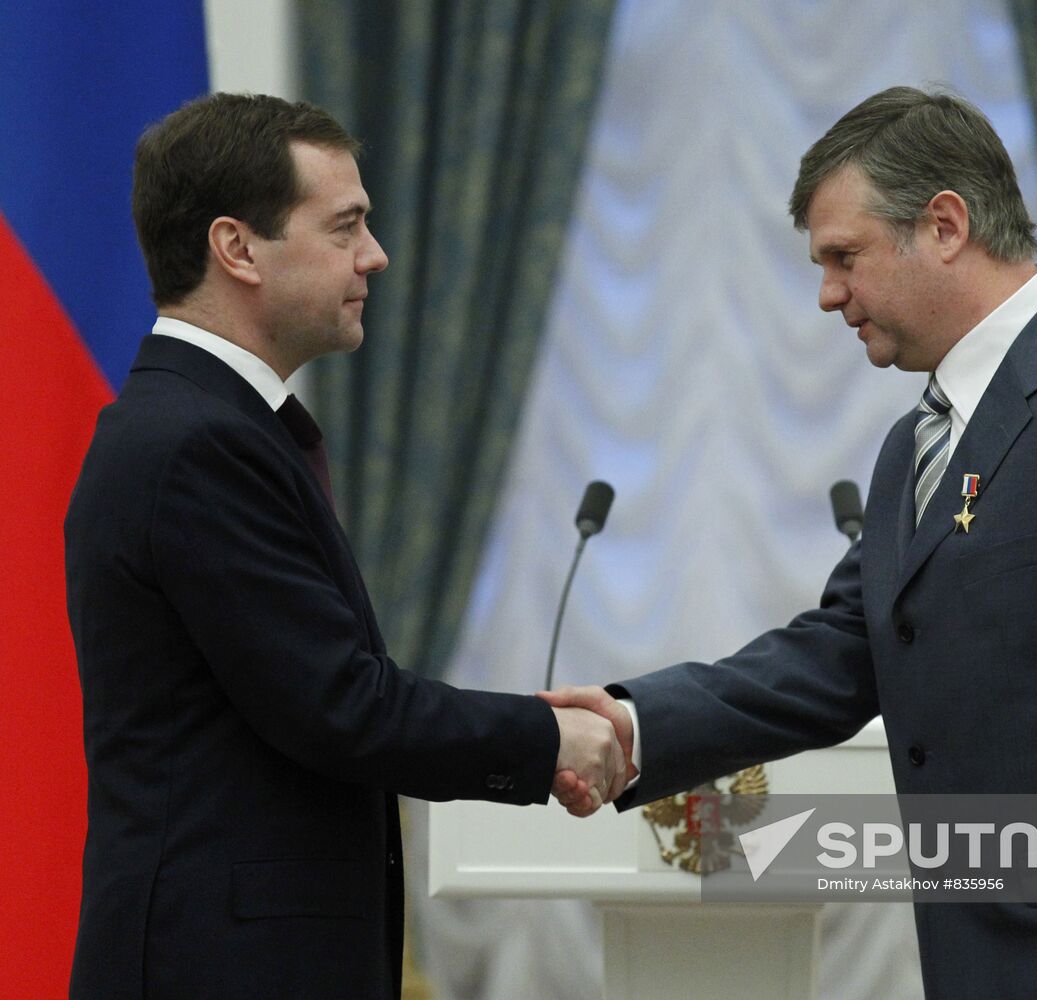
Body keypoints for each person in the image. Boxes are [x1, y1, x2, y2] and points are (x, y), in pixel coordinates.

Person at [542, 87, 1037, 999]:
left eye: (844, 257)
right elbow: (840, 654)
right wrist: (633, 724)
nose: (828, 294)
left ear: (945, 225)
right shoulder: (916, 441)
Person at [63, 93, 625, 1000]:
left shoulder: (213, 427)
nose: (376, 255)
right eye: (347, 226)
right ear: (237, 248)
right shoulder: (194, 443)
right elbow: (337, 705)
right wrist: (546, 735)